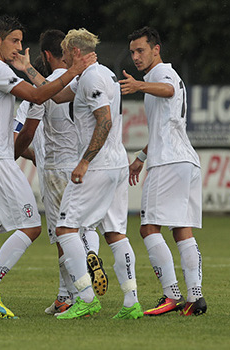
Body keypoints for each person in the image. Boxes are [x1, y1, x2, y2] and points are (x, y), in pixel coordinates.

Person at [0, 15, 94, 319]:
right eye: (15, 41)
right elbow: (38, 95)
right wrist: (73, 70)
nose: (20, 47)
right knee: (30, 226)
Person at [32, 28, 142, 320]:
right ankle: (132, 303)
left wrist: (83, 162)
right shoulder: (98, 74)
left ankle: (85, 297)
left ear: (75, 52)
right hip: (116, 163)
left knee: (65, 229)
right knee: (116, 233)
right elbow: (56, 96)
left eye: (66, 52)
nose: (63, 56)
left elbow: (103, 121)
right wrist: (27, 69)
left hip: (98, 165)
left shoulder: (92, 78)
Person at [120, 26, 206, 316]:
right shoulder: (163, 75)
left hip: (169, 162)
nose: (136, 56)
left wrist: (139, 86)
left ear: (156, 49)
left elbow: (167, 89)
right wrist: (142, 156)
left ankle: (171, 294)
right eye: (132, 51)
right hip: (183, 159)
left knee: (148, 227)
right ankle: (195, 296)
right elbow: (165, 123)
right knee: (182, 229)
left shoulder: (159, 74)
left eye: (141, 50)